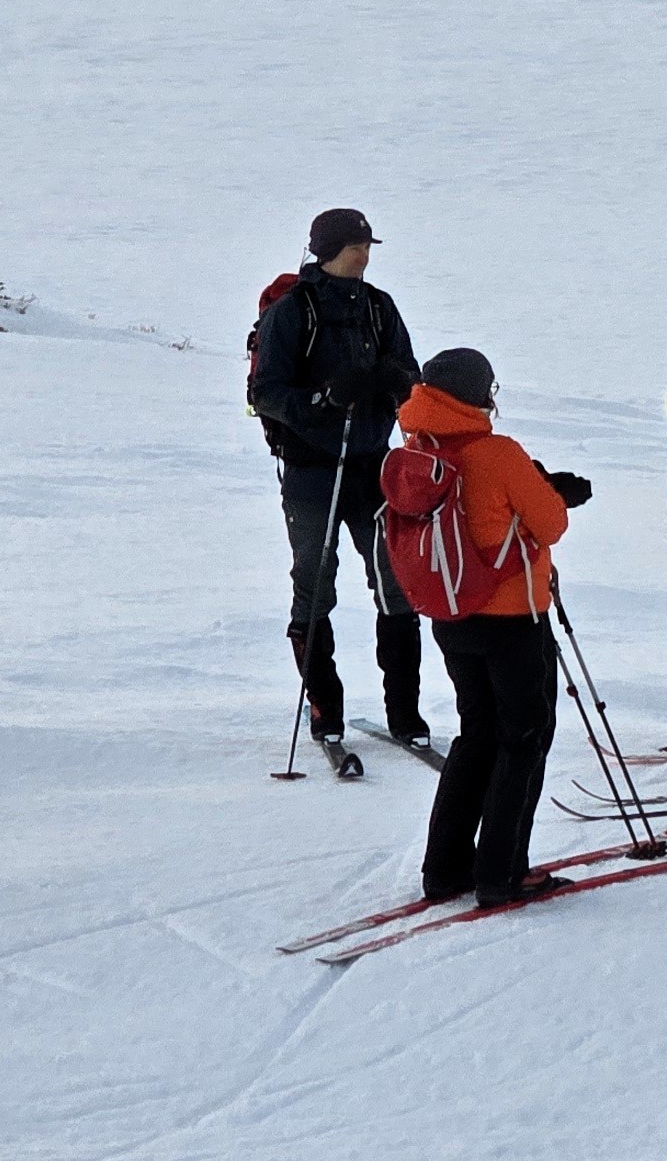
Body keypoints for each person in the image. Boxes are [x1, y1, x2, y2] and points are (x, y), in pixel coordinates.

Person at [394, 349, 585, 905]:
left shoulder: (415, 449)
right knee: (523, 739)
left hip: (450, 616)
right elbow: (550, 523)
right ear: (479, 395)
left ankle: (446, 867)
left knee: (476, 734)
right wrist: (548, 491)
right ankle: (502, 872)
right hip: (512, 617)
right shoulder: (497, 453)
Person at [248, 207, 426, 748]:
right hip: (311, 468)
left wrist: (396, 382)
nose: (365, 256)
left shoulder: (378, 307)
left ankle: (406, 716)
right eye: (356, 248)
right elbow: (265, 395)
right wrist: (323, 400)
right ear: (327, 251)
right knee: (315, 582)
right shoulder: (293, 313)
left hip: (373, 462)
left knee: (394, 582)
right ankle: (325, 708)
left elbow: (411, 379)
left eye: (369, 246)